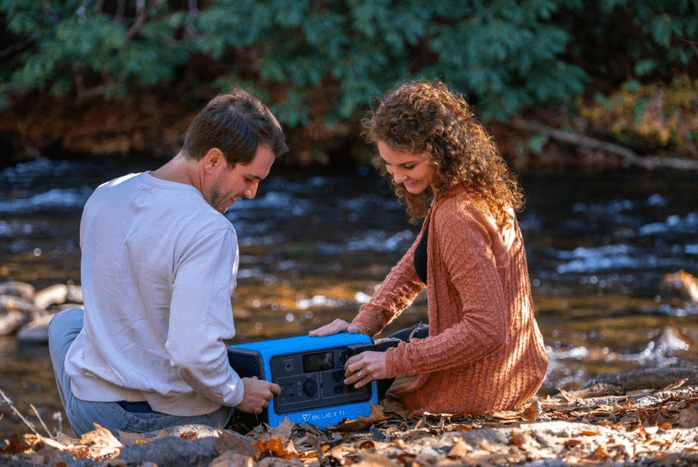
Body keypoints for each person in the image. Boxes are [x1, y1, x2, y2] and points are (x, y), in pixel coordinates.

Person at [48, 88, 287, 437]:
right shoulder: (210, 230)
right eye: (249, 178)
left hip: (91, 411)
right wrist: (237, 392)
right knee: (223, 372)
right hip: (166, 422)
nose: (251, 193)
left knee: (65, 322)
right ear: (213, 160)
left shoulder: (106, 194)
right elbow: (193, 354)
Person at [310, 79, 548, 417]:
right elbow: (416, 266)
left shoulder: (457, 215)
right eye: (390, 166)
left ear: (441, 151)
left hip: (481, 385)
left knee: (347, 373)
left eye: (408, 166)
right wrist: (361, 326)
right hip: (518, 366)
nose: (397, 178)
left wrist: (392, 361)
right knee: (364, 353)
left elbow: (486, 330)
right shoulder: (470, 190)